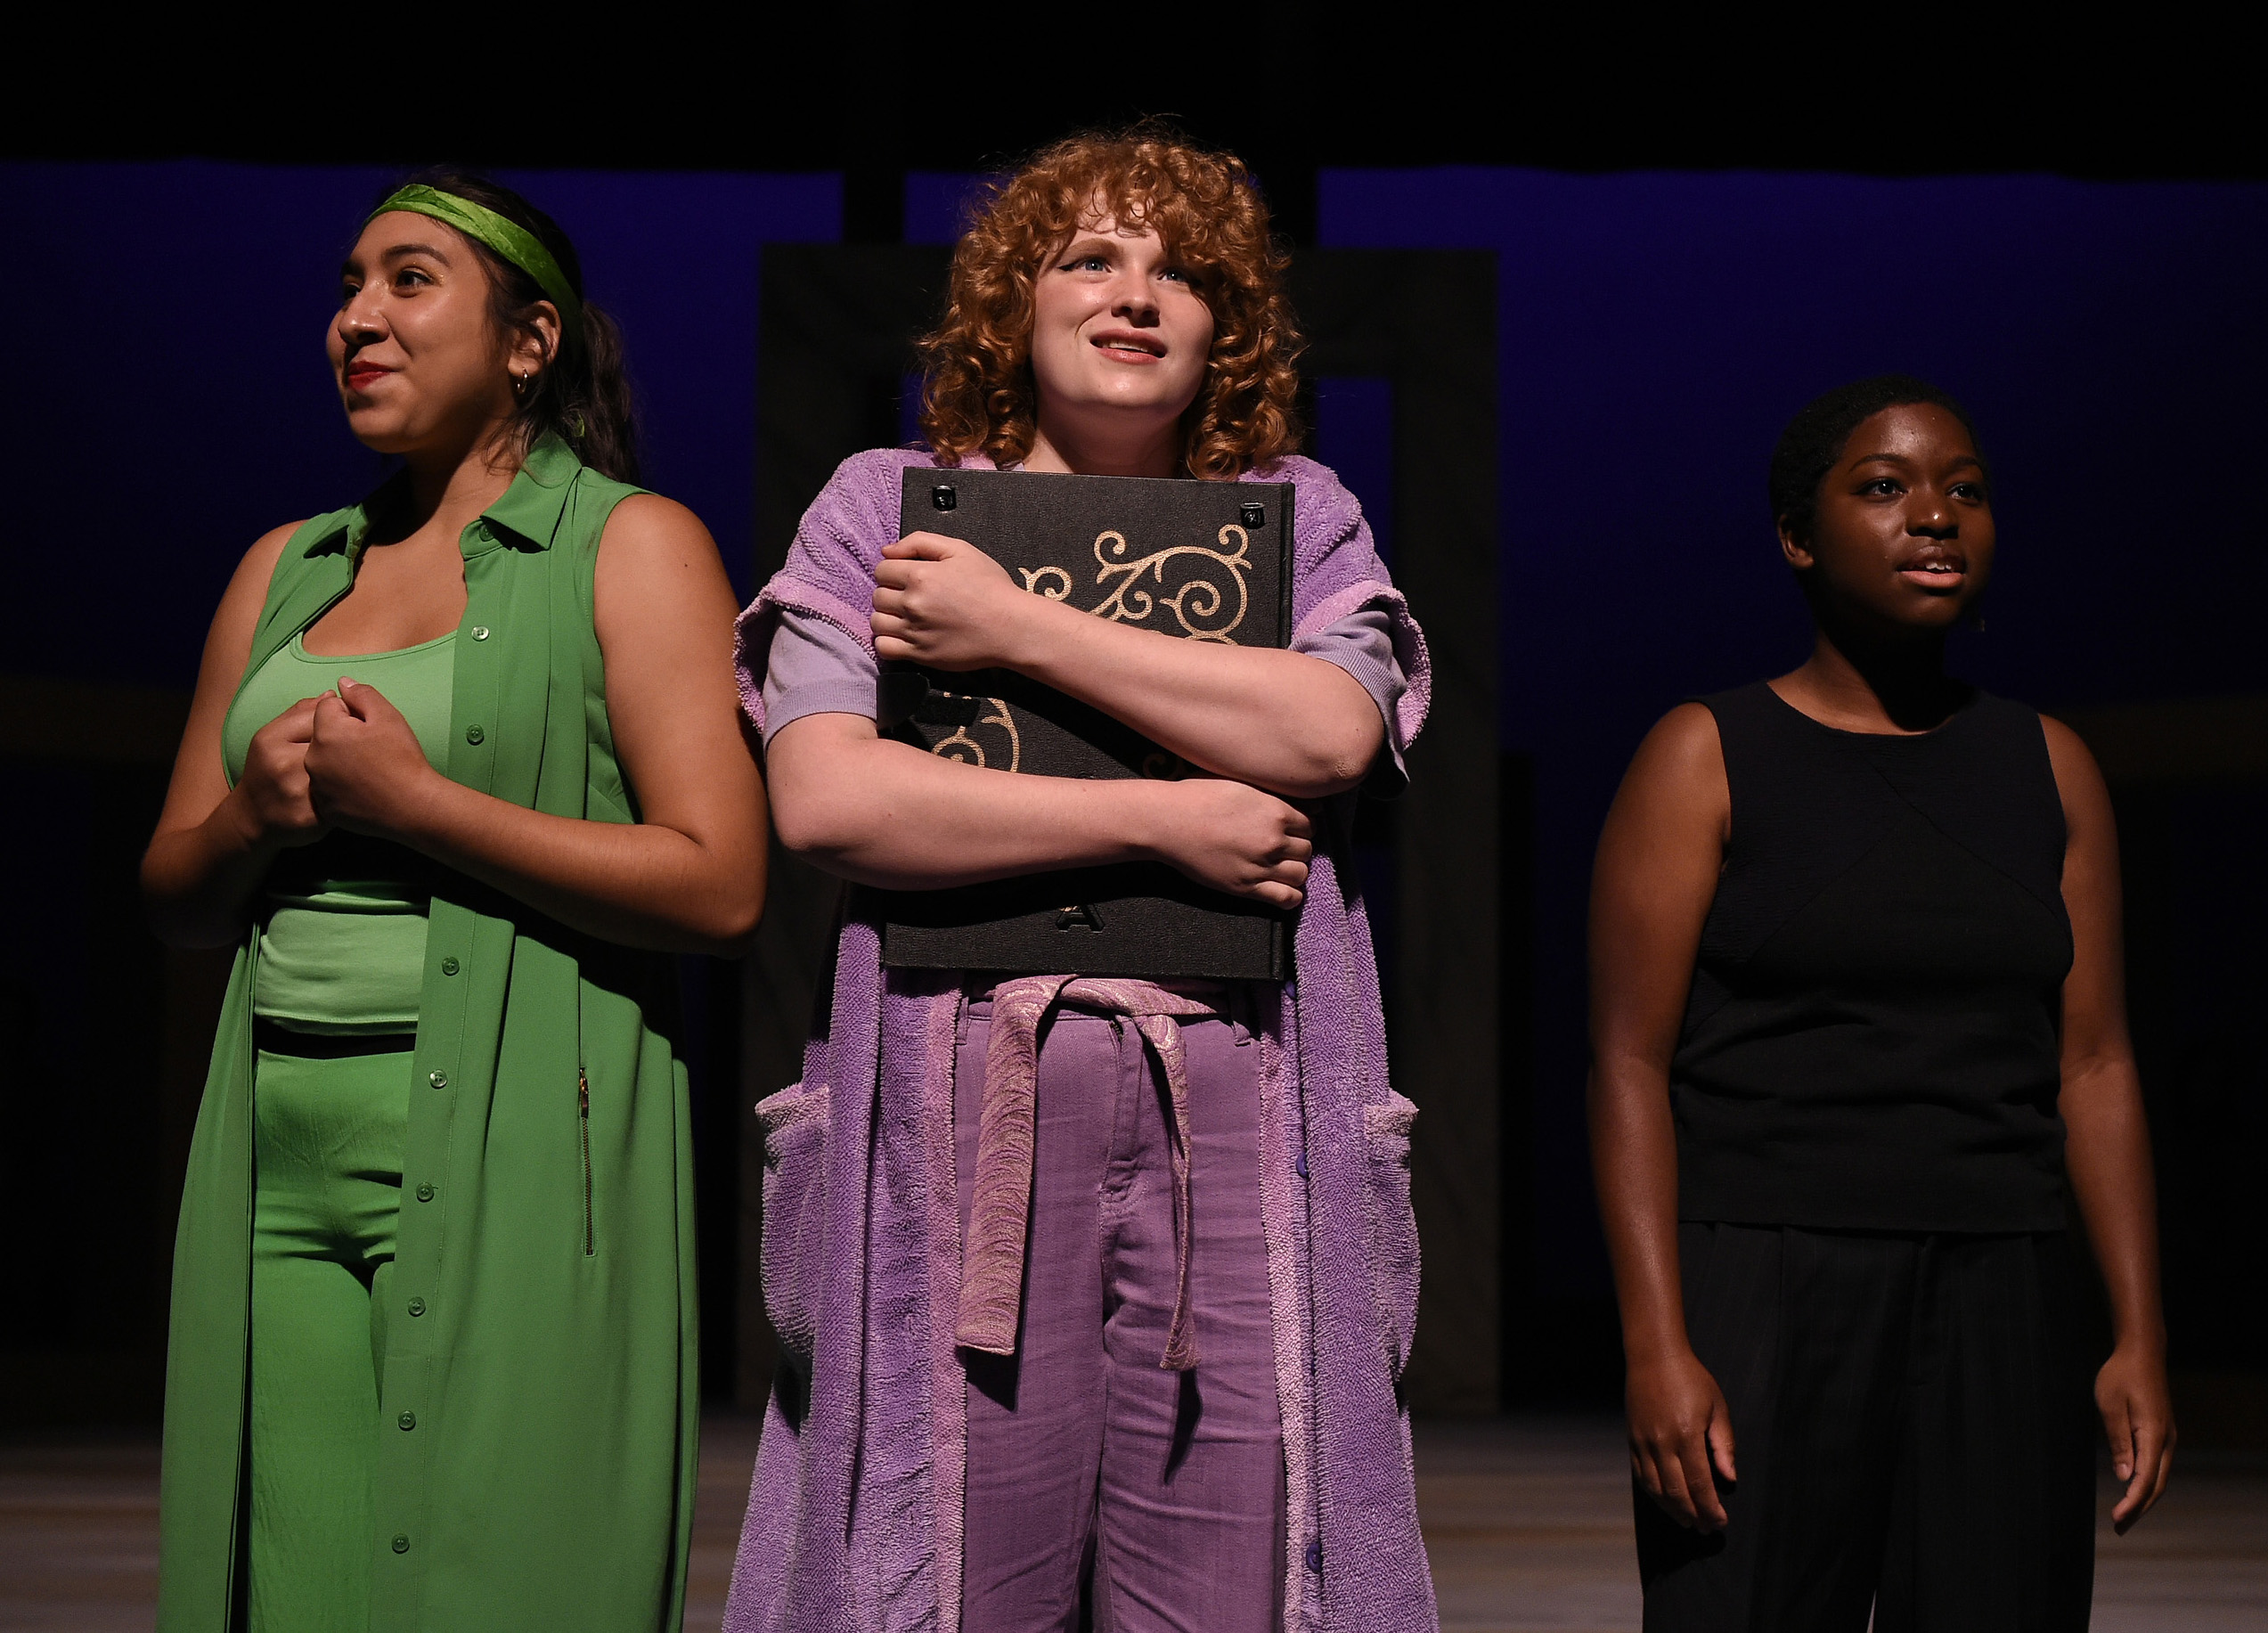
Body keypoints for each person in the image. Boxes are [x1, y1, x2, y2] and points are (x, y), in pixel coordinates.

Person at [724, 128, 1437, 1632]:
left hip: (1240, 1090)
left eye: (1180, 270)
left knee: (1232, 1571)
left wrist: (1015, 629)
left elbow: (1324, 728)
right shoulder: (885, 507)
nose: (1136, 293)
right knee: (964, 1576)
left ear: (1225, 326)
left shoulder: (1300, 515)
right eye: (1091, 258)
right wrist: (1166, 825)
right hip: (966, 1085)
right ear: (1014, 305)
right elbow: (830, 795)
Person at [143, 170, 764, 1632]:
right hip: (272, 1165)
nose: (355, 320)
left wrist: (420, 807)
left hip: (514, 1143)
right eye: (346, 287)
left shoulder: (631, 544)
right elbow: (174, 889)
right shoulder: (288, 570)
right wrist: (254, 814)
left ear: (529, 340)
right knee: (299, 1584)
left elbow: (723, 881)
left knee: (507, 1578)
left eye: (408, 280)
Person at [1587, 374, 2174, 1630]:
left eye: (1964, 490)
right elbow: (1627, 1063)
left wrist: (2135, 1333)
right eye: (1883, 486)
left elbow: (2094, 1064)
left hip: (2002, 1288)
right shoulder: (1704, 752)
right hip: (1766, 1281)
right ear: (1798, 534)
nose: (1933, 515)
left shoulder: (2048, 764)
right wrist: (1654, 1345)